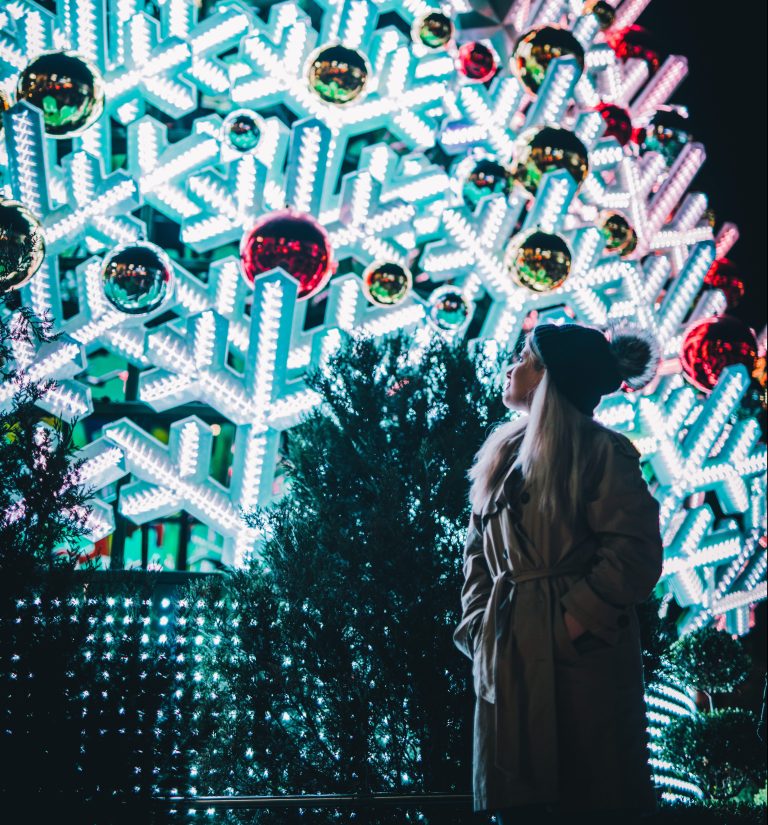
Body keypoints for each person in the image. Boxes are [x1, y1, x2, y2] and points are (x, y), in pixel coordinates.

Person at [453, 322, 665, 825]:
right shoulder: (499, 459)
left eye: (526, 358)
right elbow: (477, 559)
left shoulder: (600, 451)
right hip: (508, 656)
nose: (512, 366)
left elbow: (633, 553)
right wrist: (480, 632)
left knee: (588, 798)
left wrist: (568, 627)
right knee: (520, 804)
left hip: (582, 663)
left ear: (551, 377)